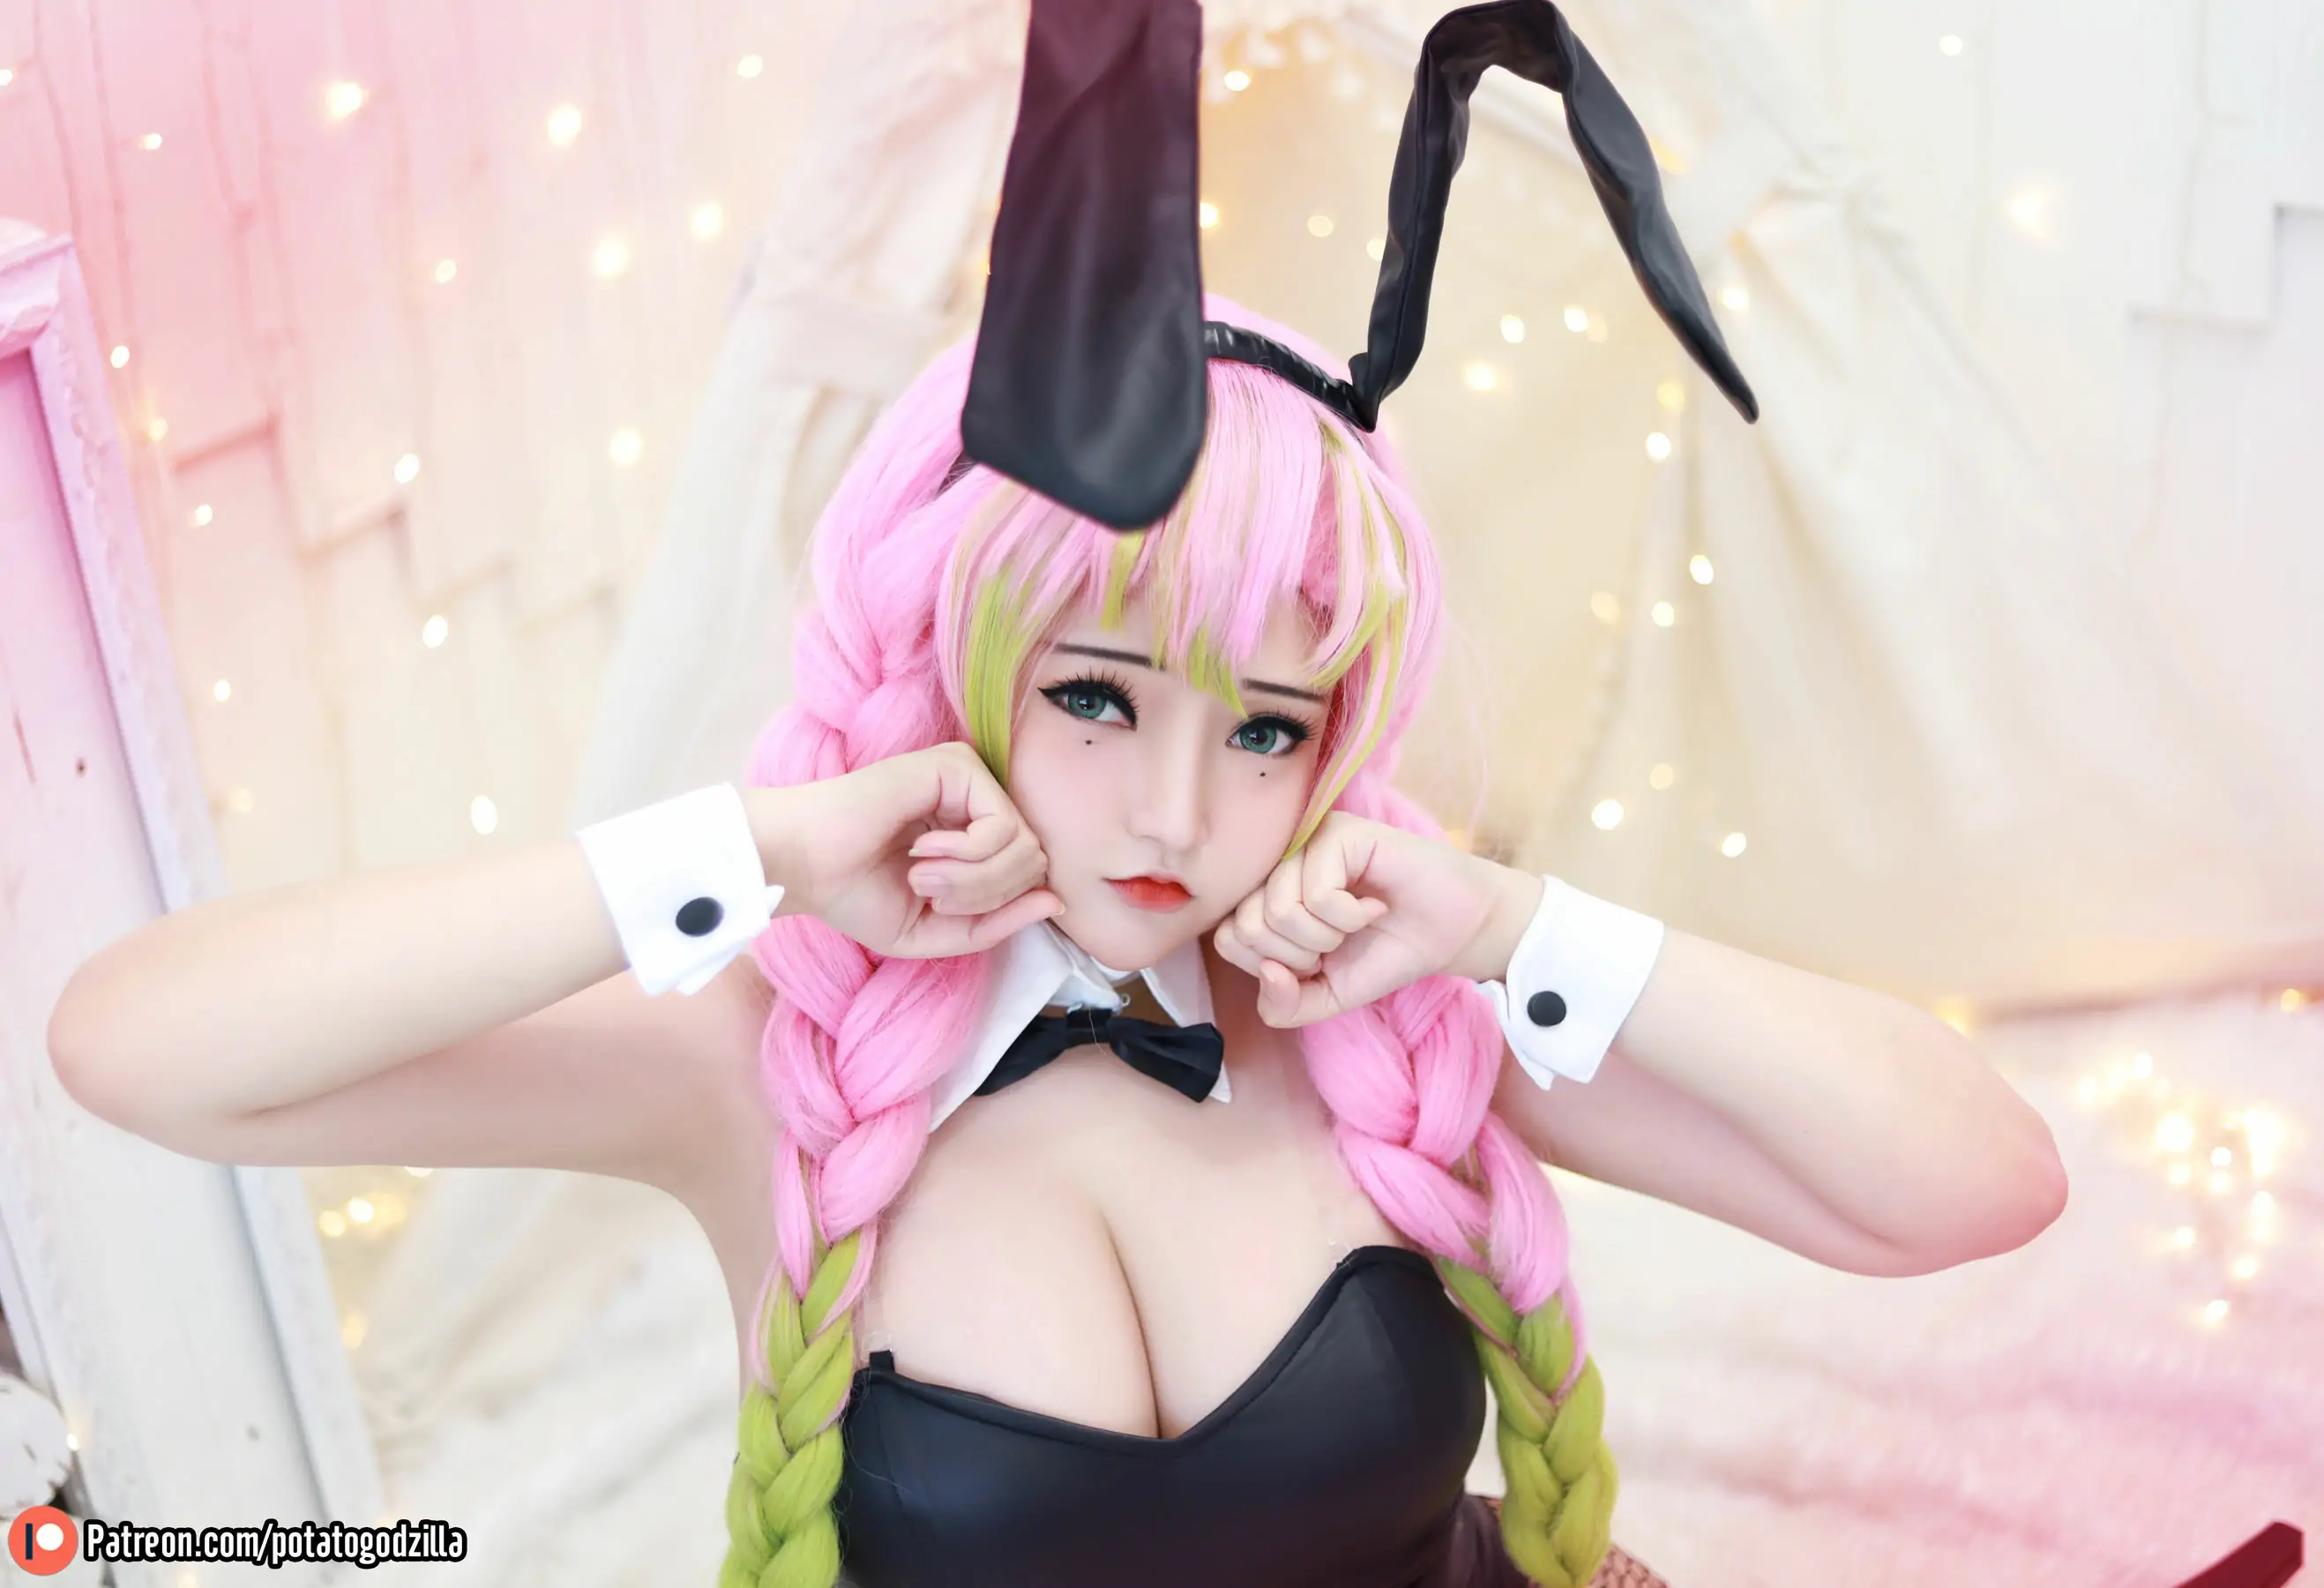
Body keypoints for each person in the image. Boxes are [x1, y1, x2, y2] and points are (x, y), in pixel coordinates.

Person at [47, 293, 2066, 1588]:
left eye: (1267, 730)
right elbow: (141, 1050)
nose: (1177, 814)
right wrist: (743, 849)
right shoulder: (763, 1054)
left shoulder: (1391, 1023)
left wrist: (1519, 922)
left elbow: (1979, 1188)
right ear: (955, 655)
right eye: (1099, 696)